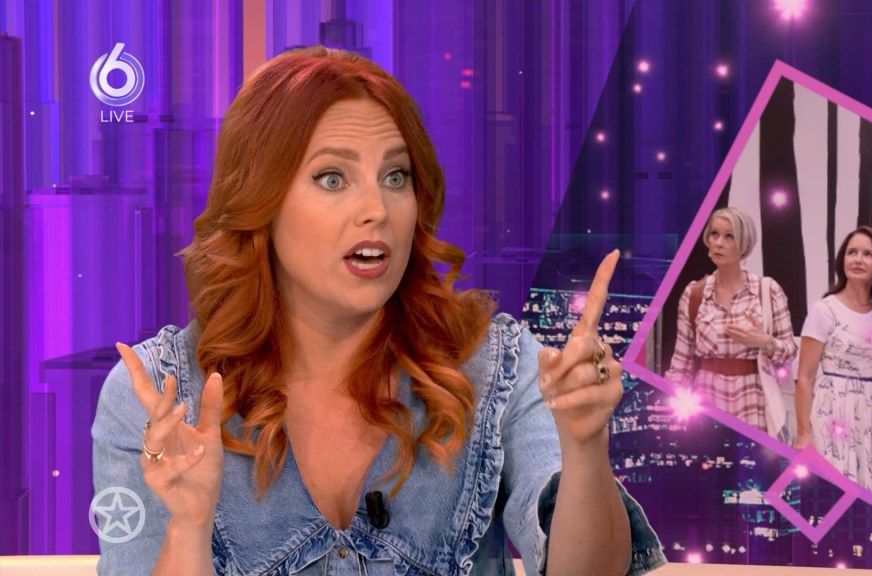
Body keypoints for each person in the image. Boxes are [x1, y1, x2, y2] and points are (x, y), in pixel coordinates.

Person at [91, 47, 665, 576]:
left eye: (396, 176)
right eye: (332, 178)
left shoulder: (499, 367)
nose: (377, 210)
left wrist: (586, 448)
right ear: (261, 202)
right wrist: (189, 528)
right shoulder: (155, 397)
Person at [795, 226, 872, 497]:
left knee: (870, 496)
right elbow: (805, 378)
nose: (858, 259)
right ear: (842, 260)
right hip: (831, 415)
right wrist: (803, 433)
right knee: (831, 495)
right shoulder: (824, 310)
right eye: (852, 252)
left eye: (867, 254)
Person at [664, 207, 798, 434]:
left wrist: (765, 342)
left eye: (729, 237)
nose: (718, 243)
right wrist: (672, 414)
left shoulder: (767, 291)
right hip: (705, 401)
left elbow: (790, 351)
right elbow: (681, 364)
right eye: (714, 234)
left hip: (754, 401)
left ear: (744, 245)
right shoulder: (694, 294)